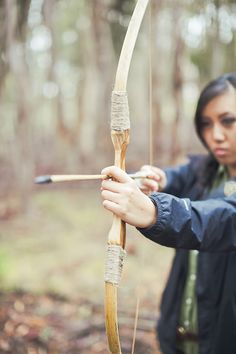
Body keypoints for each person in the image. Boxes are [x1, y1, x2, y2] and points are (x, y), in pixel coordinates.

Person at [101, 73, 236, 354]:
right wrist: (155, 181)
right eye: (206, 124)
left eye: (228, 121)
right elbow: (175, 178)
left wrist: (153, 211)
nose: (216, 135)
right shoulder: (205, 171)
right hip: (182, 335)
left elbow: (222, 218)